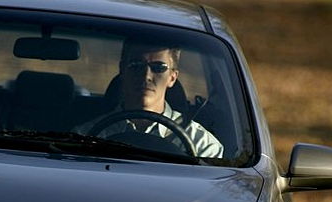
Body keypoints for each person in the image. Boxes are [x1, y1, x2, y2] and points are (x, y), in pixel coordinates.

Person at [76, 40, 224, 158]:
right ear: (122, 71)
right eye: (136, 65)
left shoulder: (202, 146)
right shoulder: (84, 137)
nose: (146, 76)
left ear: (172, 77)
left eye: (159, 67)